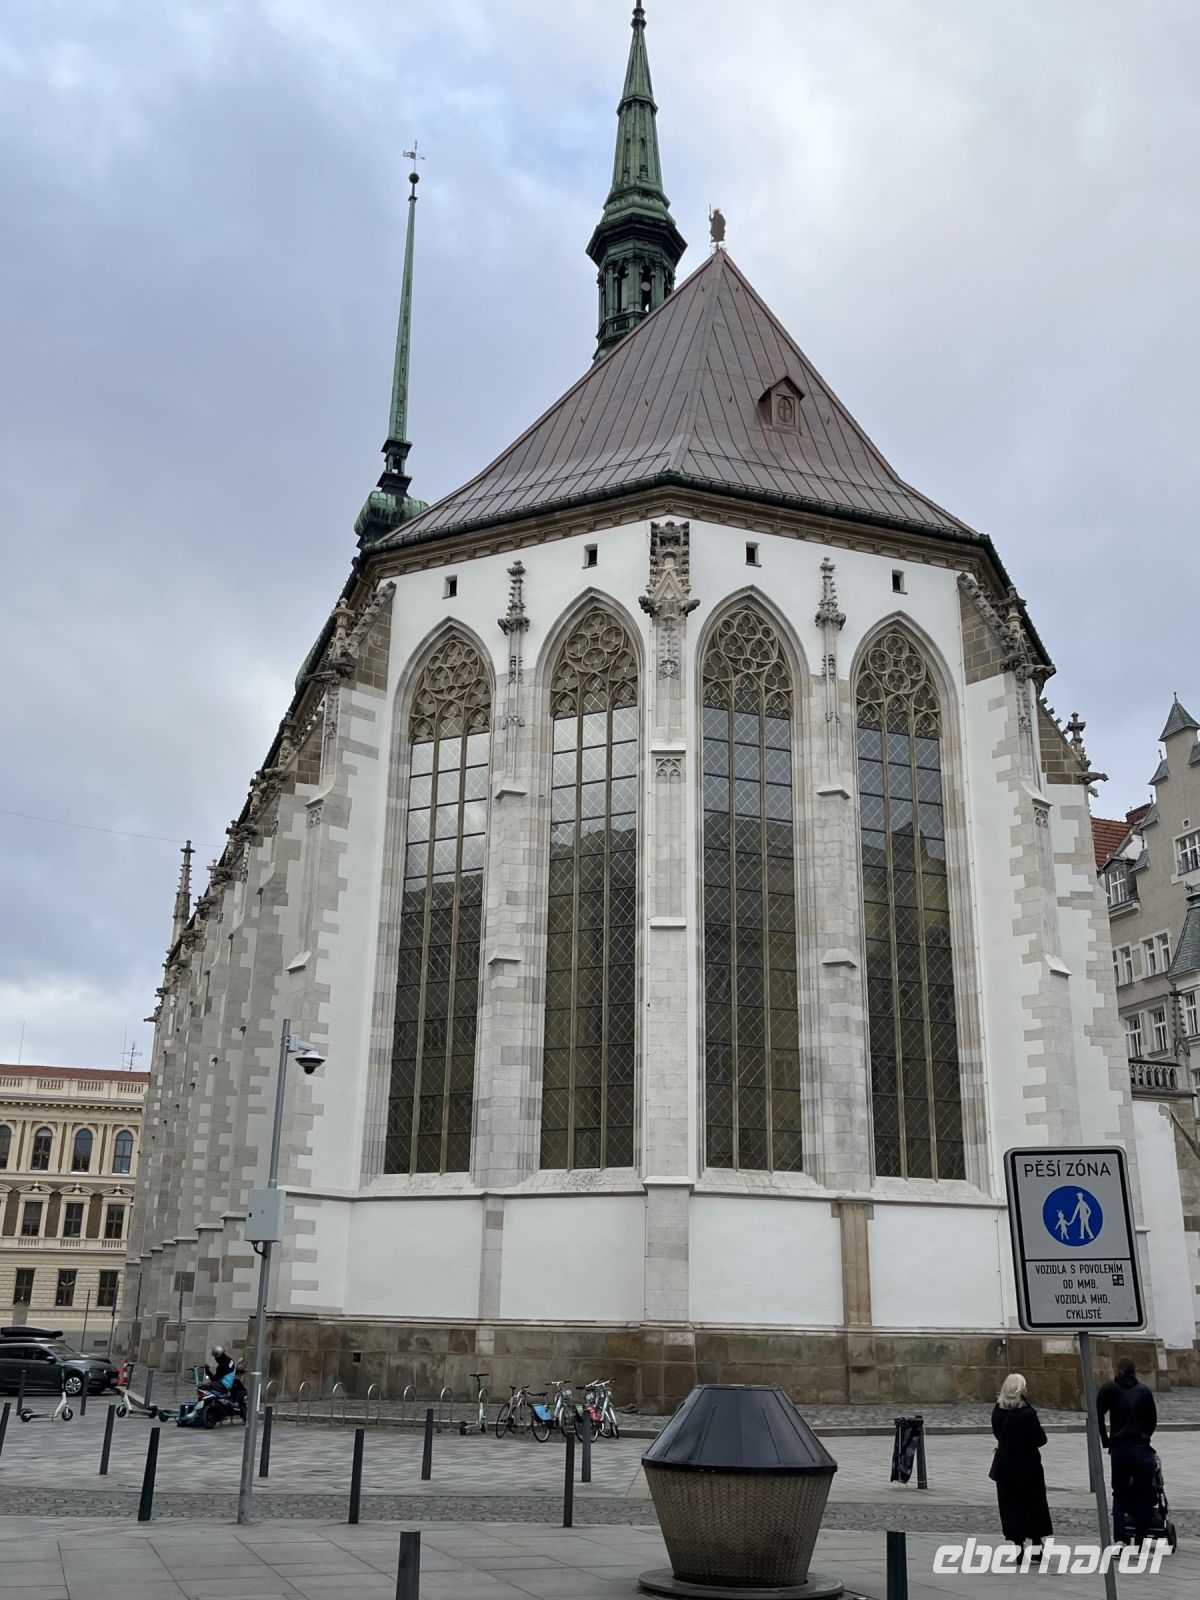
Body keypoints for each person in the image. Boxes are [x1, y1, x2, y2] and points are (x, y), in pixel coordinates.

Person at [1097, 1356, 1158, 1545]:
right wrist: (1145, 1437)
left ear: (1118, 1371)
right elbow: (1152, 1420)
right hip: (1141, 1449)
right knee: (1143, 1494)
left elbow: (1097, 1413)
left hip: (1120, 1449)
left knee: (1119, 1495)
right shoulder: (1144, 1391)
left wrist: (1105, 1439)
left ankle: (1120, 1539)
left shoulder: (1110, 1389)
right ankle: (1140, 1540)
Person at [991, 1374, 1053, 1554]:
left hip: (1005, 1465)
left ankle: (1018, 1545)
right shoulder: (1027, 1413)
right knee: (1033, 1503)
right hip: (1028, 1465)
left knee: (1011, 1504)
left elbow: (997, 1435)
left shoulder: (997, 1411)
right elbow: (1040, 1439)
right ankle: (1035, 1542)